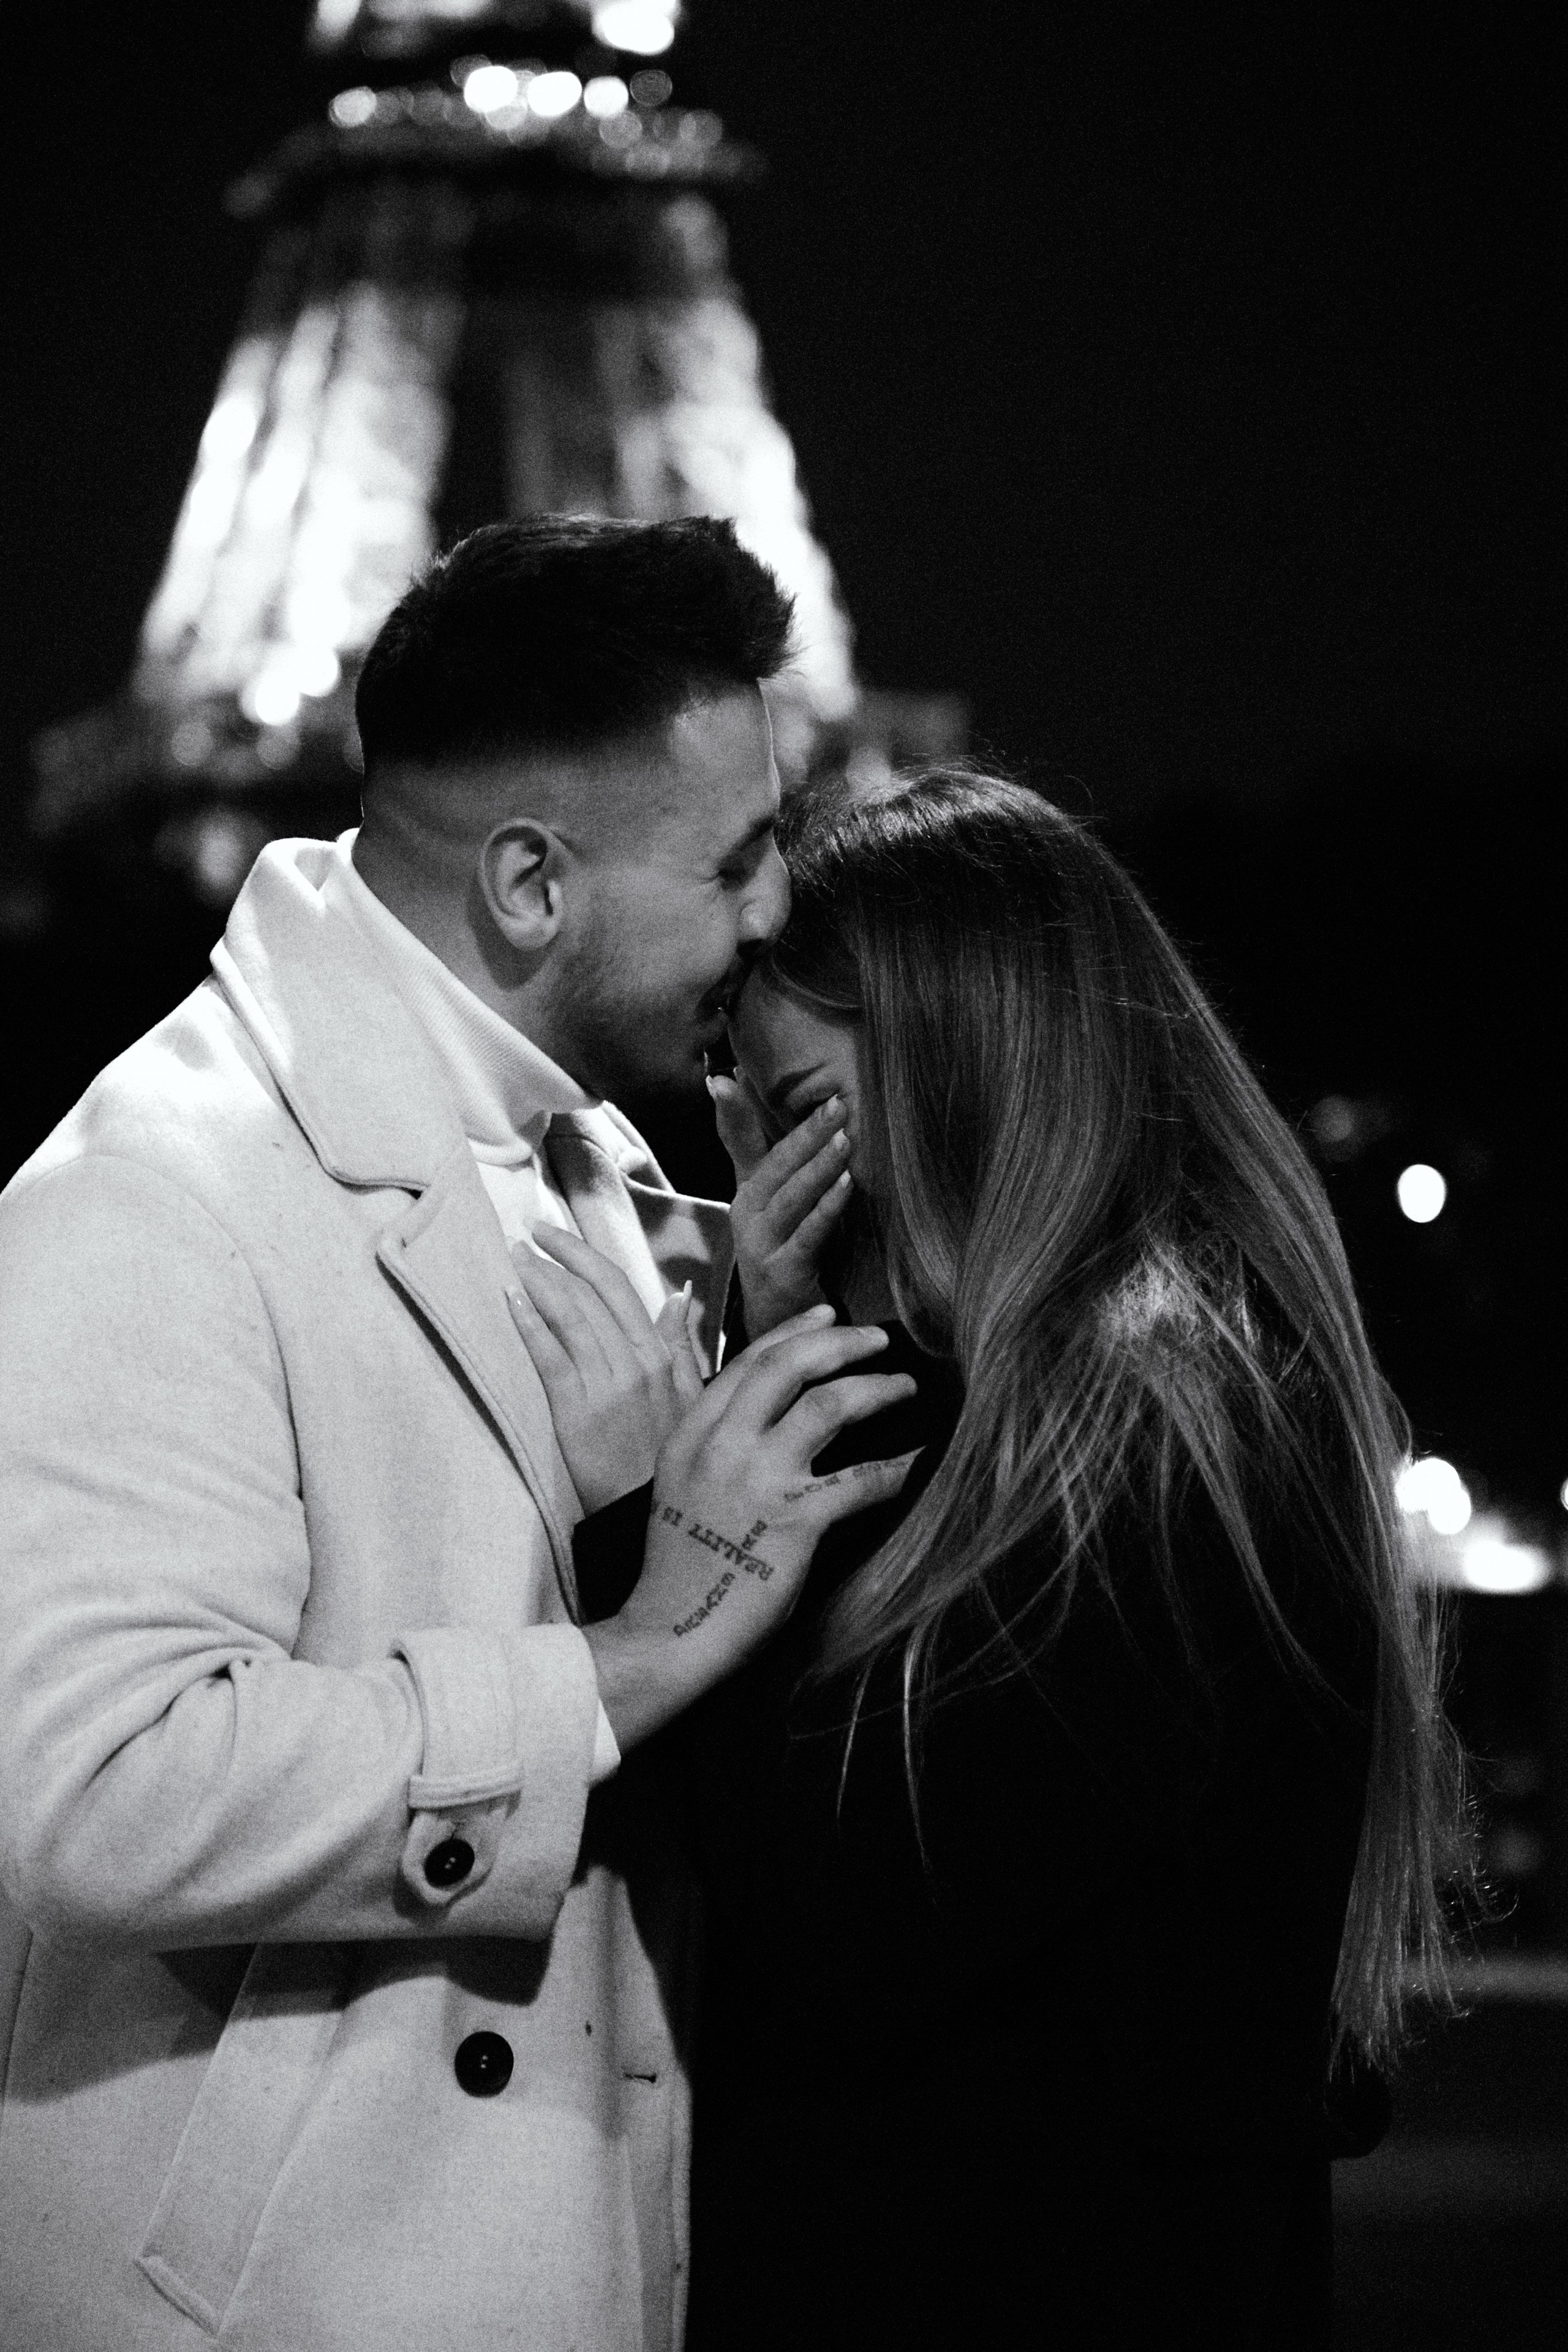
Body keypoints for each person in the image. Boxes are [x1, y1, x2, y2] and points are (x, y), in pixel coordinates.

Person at [0, 516, 916, 2352]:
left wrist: (759, 1315)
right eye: (737, 861)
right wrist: (620, 1665)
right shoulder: (151, 1194)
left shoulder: (606, 1160)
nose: (770, 918)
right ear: (529, 883)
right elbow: (95, 1790)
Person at [523, 769, 1465, 2350]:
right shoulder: (1086, 1403)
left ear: (969, 1060)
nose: (766, 1168)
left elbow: (845, 1921)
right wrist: (784, 1338)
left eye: (802, 1106)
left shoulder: (1160, 1440)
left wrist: (650, 1510)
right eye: (742, 1115)